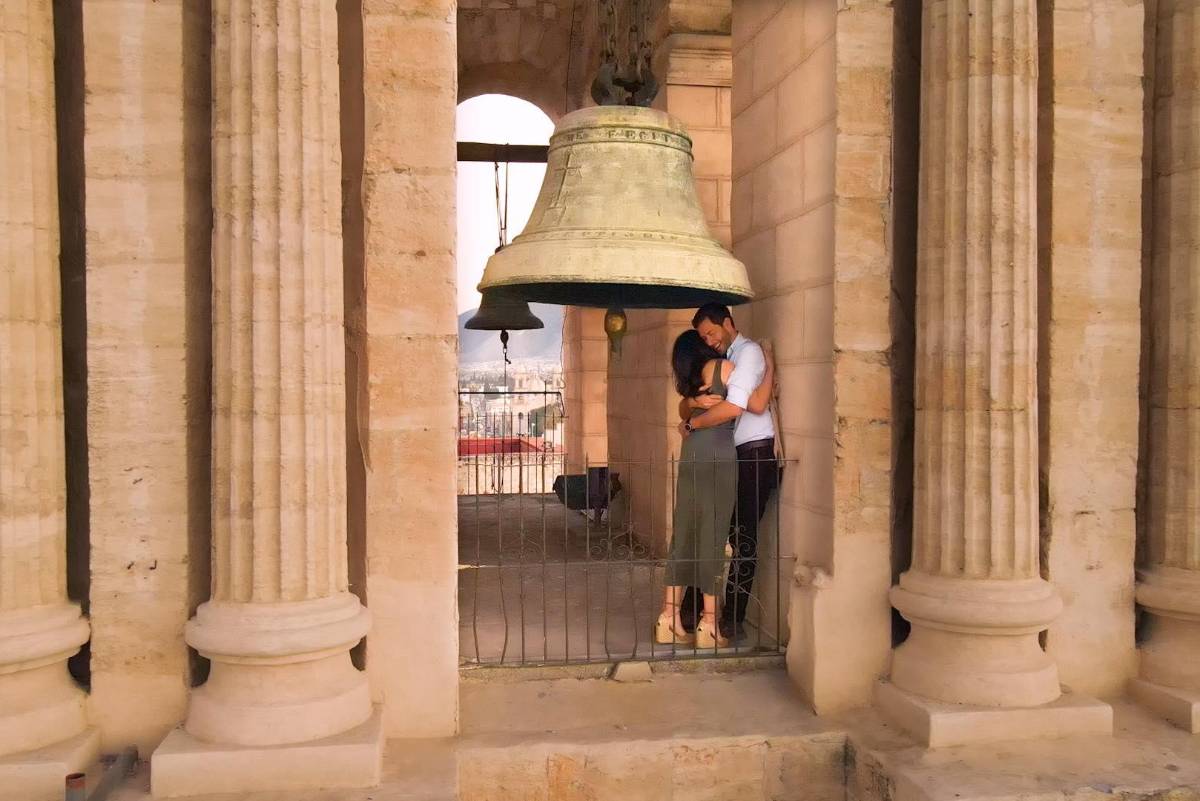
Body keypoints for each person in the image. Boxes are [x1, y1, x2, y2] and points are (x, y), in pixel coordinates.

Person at [656, 329, 774, 649]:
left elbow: (684, 411)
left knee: (684, 532)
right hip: (718, 454)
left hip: (692, 452)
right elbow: (755, 404)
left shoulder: (688, 381)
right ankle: (709, 624)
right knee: (713, 532)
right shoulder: (724, 368)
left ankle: (668, 618)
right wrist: (770, 367)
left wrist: (693, 407)